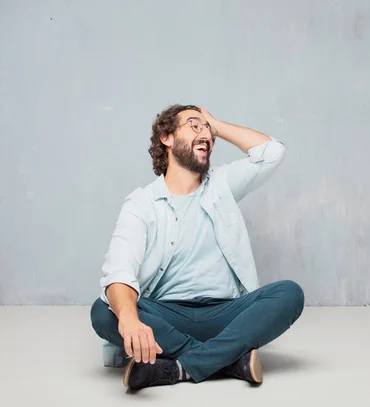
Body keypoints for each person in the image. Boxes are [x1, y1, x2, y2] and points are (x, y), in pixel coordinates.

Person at [90, 104, 304, 390]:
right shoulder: (142, 203)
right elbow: (119, 268)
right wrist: (130, 319)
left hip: (226, 314)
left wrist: (214, 124)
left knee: (289, 293)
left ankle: (179, 367)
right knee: (103, 311)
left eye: (207, 130)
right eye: (194, 125)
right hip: (166, 318)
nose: (205, 134)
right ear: (167, 137)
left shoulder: (222, 185)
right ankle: (227, 359)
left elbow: (271, 152)